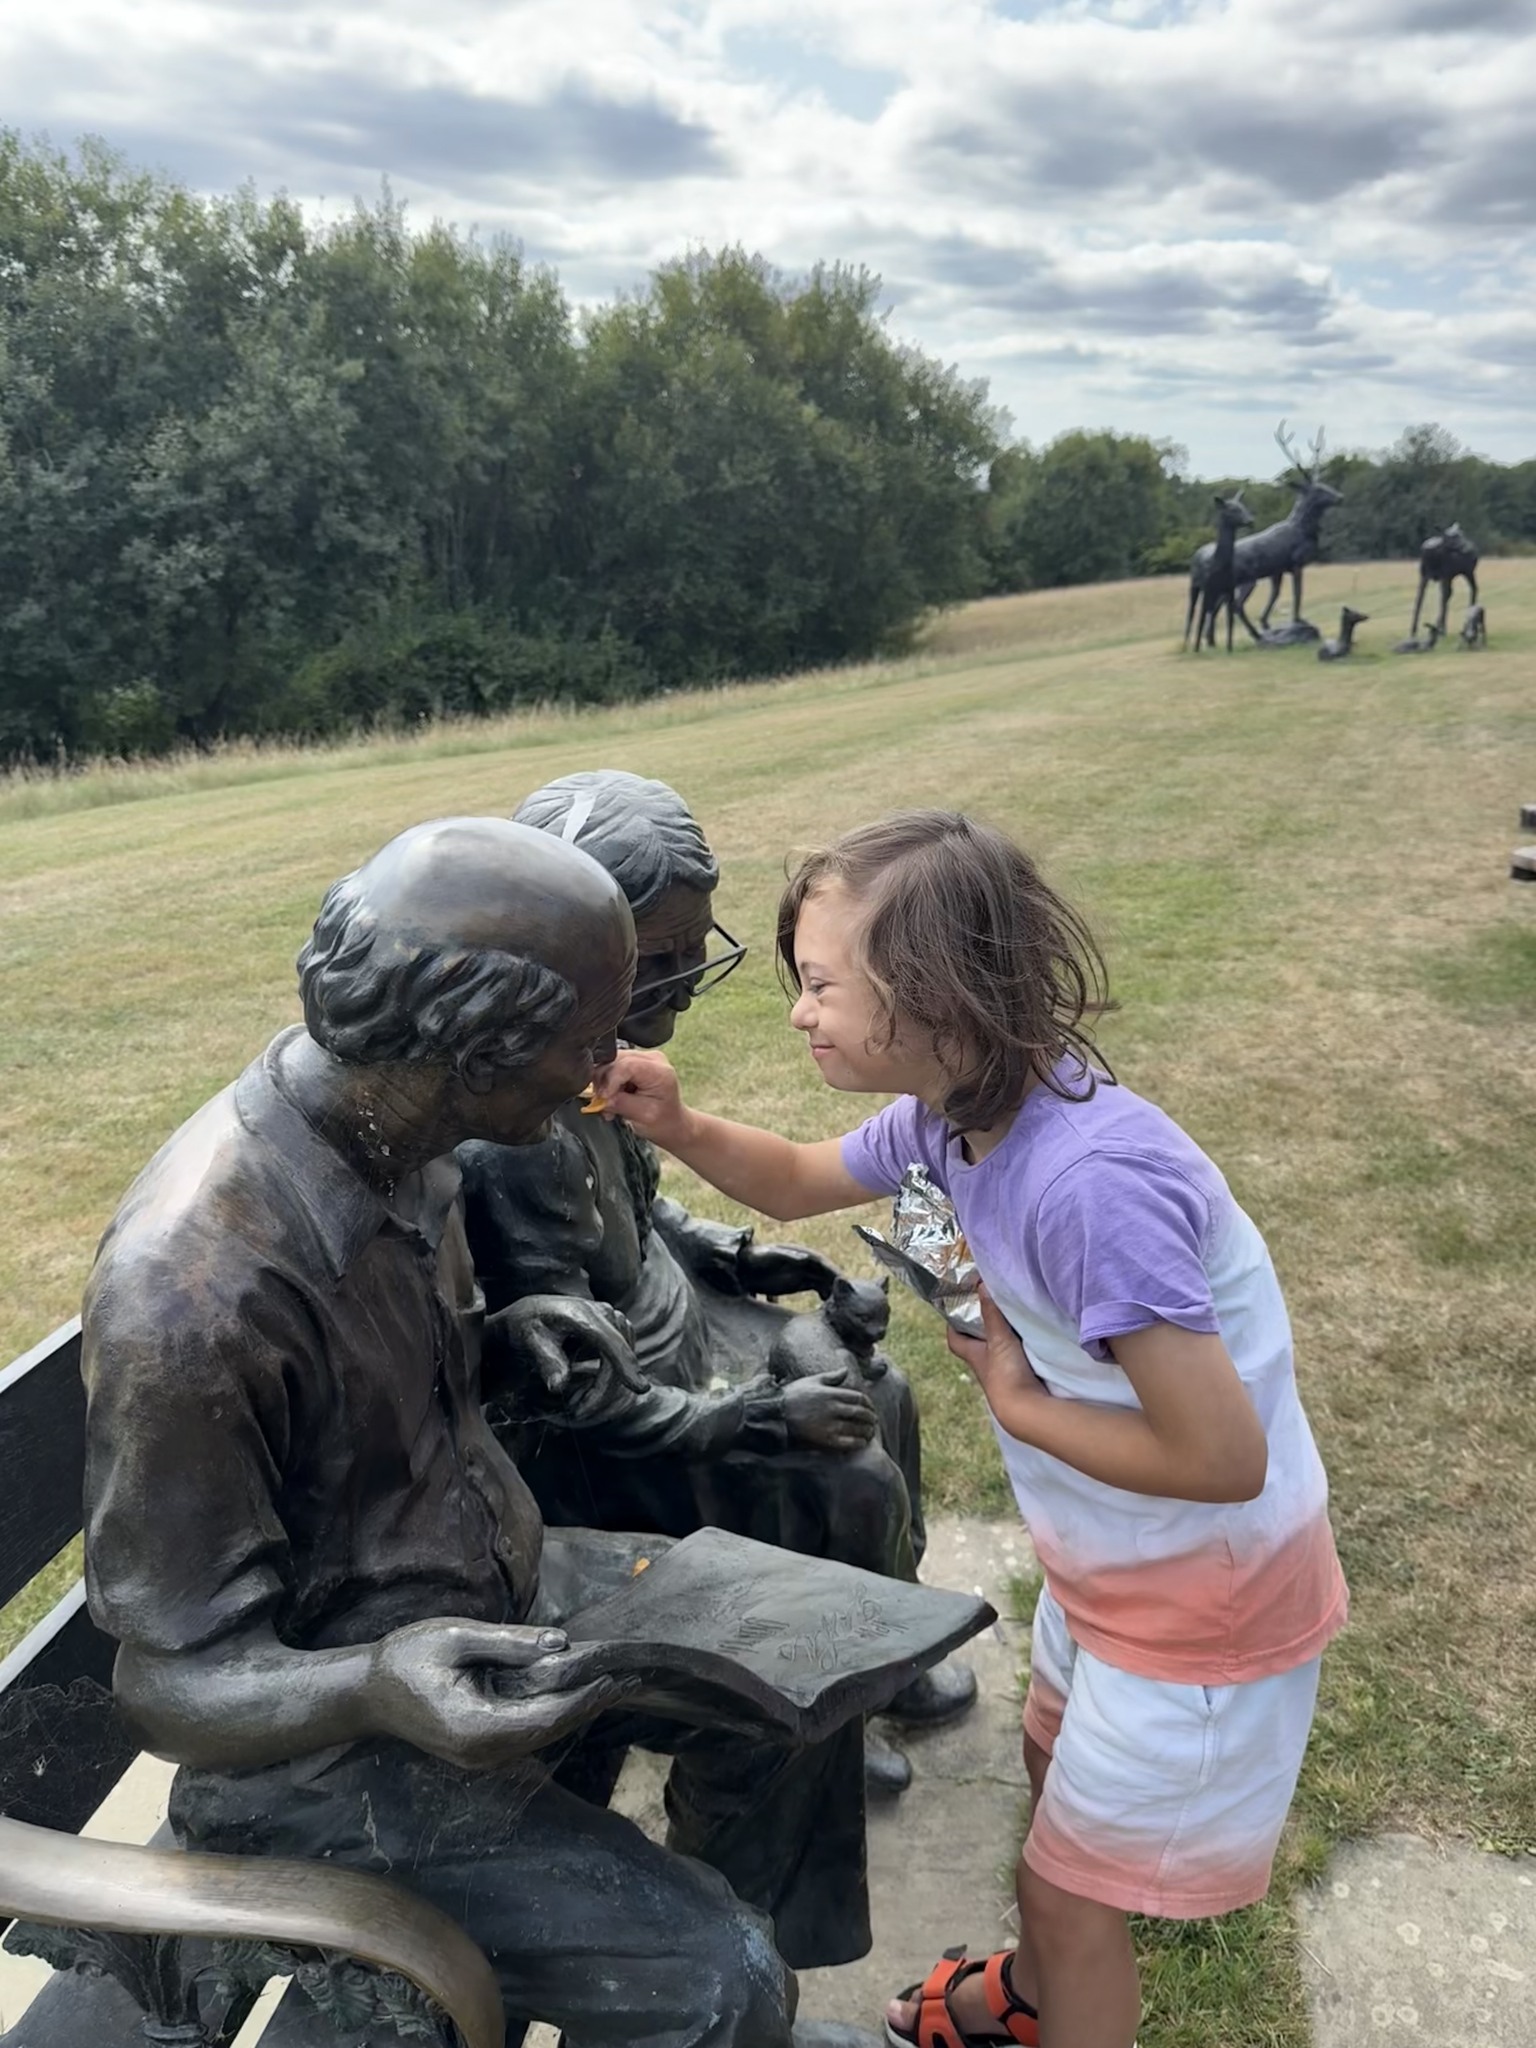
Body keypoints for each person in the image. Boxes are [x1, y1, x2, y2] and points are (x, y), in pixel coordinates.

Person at [80, 816, 883, 2048]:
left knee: (813, 1669)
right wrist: (377, 1684)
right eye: (585, 1038)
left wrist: (503, 1334)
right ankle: (726, 2004)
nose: (605, 1064)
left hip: (509, 1605)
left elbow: (368, 1410)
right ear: (472, 1045)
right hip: (330, 1755)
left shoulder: (404, 1137)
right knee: (713, 1975)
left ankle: (738, 2013)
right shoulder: (197, 1294)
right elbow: (170, 1684)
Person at [589, 810, 1350, 2048]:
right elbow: (795, 1174)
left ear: (934, 990)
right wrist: (673, 1121)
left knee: (1071, 1886)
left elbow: (1223, 1457)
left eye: (823, 983)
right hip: (1109, 1576)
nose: (799, 1011)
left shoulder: (1090, 1182)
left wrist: (1021, 1403)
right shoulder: (954, 1119)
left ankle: (1062, 1999)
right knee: (1052, 1790)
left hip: (1203, 1608)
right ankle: (1033, 1995)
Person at [456, 772, 974, 1792]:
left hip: (688, 1338)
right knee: (849, 1476)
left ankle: (884, 1644)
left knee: (890, 1396)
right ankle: (823, 1701)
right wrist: (761, 1418)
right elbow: (578, 1392)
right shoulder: (515, 1136)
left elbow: (640, 1215)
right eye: (659, 956)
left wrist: (739, 1255)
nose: (692, 974)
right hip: (628, 1440)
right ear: (568, 958)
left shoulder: (595, 1066)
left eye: (696, 942)